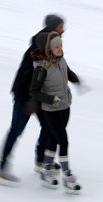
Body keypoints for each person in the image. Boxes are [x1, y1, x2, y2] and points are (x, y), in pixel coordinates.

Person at [0, 14, 67, 185]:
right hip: (25, 95)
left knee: (49, 126)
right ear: (54, 27)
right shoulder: (42, 45)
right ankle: (1, 167)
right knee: (16, 130)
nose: (64, 30)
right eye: (61, 26)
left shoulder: (51, 42)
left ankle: (41, 160)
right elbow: (32, 74)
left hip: (37, 95)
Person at [29, 31, 81, 193]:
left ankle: (47, 170)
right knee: (63, 141)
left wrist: (76, 79)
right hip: (51, 109)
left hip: (65, 106)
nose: (60, 48)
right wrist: (51, 100)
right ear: (49, 48)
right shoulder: (42, 68)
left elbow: (67, 72)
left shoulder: (61, 59)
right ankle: (67, 176)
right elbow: (34, 91)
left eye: (61, 45)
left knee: (53, 139)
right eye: (56, 46)